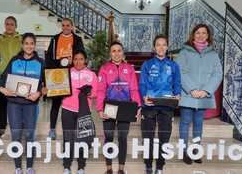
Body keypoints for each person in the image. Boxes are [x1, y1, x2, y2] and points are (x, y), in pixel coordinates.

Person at [174, 24, 222, 165]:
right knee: (185, 123)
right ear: (193, 35)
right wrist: (192, 89)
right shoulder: (184, 52)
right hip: (188, 94)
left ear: (208, 36)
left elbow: (217, 74)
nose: (201, 35)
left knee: (198, 124)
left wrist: (206, 91)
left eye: (204, 33)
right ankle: (184, 152)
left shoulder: (213, 54)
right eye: (198, 33)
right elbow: (179, 71)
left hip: (203, 95)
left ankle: (196, 151)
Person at [0, 33, 44, 174]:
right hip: (14, 104)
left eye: (32, 43)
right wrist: (3, 90)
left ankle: (30, 166)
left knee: (30, 135)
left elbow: (47, 85)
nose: (29, 46)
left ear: (34, 45)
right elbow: (2, 80)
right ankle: (18, 167)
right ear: (22, 45)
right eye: (26, 43)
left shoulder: (41, 62)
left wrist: (39, 93)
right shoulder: (14, 60)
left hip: (31, 105)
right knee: (16, 135)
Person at [96, 41, 142, 174]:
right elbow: (100, 90)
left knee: (122, 136)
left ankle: (121, 168)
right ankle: (109, 168)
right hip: (109, 107)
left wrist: (137, 106)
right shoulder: (104, 68)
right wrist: (100, 109)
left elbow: (134, 89)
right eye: (113, 51)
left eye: (119, 50)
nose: (116, 53)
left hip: (125, 108)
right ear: (110, 54)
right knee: (109, 136)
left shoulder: (130, 68)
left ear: (123, 53)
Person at [139, 35, 181, 174]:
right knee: (147, 136)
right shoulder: (147, 64)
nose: (161, 47)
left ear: (167, 47)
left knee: (164, 136)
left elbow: (177, 83)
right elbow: (143, 83)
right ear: (154, 47)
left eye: (164, 44)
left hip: (166, 105)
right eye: (158, 44)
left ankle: (160, 166)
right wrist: (144, 97)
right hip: (149, 104)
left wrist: (177, 94)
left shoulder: (173, 65)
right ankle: (148, 165)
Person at [44, 18, 85, 140]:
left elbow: (81, 55)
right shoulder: (55, 38)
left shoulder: (77, 39)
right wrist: (49, 75)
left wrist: (74, 62)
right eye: (63, 25)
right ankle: (52, 130)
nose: (65, 27)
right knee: (56, 104)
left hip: (72, 74)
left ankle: (77, 130)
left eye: (68, 25)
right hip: (58, 75)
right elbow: (49, 58)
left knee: (74, 104)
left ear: (72, 26)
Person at [61, 50, 98, 174]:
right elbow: (59, 89)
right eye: (76, 59)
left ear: (85, 60)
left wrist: (89, 92)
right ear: (72, 60)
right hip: (67, 109)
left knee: (84, 138)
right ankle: (67, 165)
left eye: (81, 59)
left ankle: (81, 166)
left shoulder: (91, 75)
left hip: (84, 112)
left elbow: (95, 93)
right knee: (68, 138)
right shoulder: (66, 73)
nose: (78, 61)